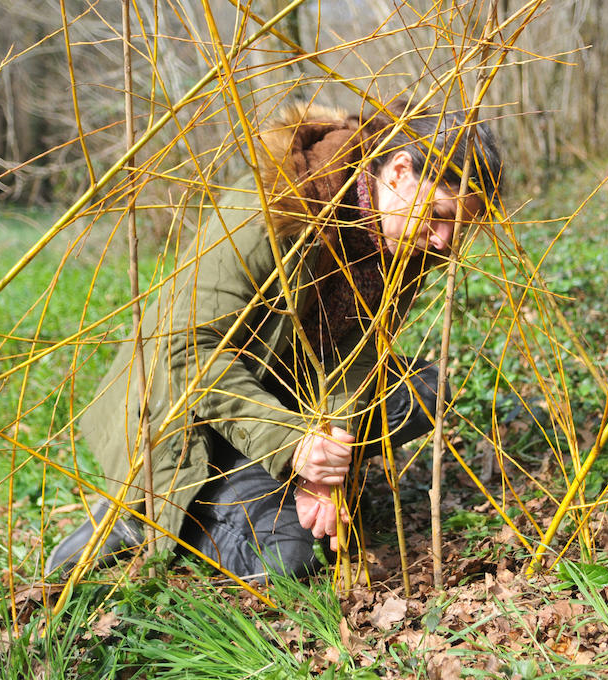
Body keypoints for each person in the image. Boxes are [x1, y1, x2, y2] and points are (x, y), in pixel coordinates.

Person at [47, 100, 502, 580]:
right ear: (400, 170)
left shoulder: (403, 243)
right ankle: (141, 511)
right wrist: (292, 446)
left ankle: (271, 483)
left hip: (284, 394)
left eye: (457, 228)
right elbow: (190, 352)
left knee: (423, 389)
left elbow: (356, 358)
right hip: (183, 420)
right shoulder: (278, 205)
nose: (443, 240)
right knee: (291, 560)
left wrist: (324, 465)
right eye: (439, 213)